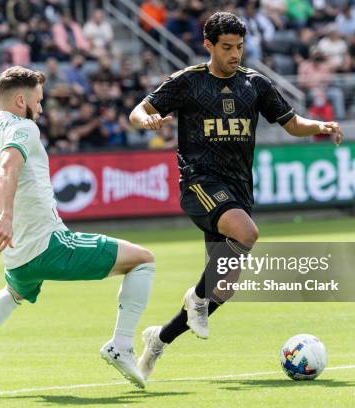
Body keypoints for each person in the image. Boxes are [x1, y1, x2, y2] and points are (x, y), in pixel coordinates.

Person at [129, 12, 343, 381]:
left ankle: (159, 339)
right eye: (226, 47)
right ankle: (195, 300)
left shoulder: (255, 84)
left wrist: (319, 126)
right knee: (247, 234)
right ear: (208, 45)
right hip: (199, 183)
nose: (235, 54)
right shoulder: (188, 82)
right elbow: (138, 110)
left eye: (240, 47)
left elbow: (291, 123)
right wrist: (144, 120)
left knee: (222, 290)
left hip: (237, 188)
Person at [0, 66, 156, 394]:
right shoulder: (24, 129)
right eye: (39, 100)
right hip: (48, 243)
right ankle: (120, 345)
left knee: (14, 292)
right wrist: (5, 215)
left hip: (16, 253)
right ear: (21, 100)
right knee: (143, 260)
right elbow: (8, 165)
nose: (42, 107)